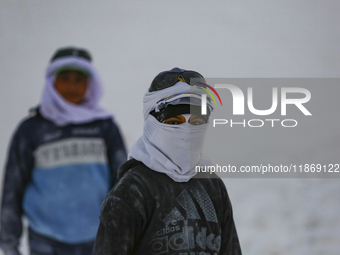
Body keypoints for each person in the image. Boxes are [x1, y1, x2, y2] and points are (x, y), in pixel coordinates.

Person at [92, 67, 242, 255]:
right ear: (152, 126)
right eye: (174, 123)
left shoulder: (212, 185)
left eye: (196, 122)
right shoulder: (132, 189)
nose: (186, 132)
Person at [0, 47, 127, 255]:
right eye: (65, 78)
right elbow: (12, 188)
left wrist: (124, 233)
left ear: (90, 84)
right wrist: (8, 240)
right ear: (52, 83)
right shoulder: (32, 129)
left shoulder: (105, 128)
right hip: (45, 240)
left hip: (96, 238)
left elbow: (122, 185)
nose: (71, 86)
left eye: (79, 79)